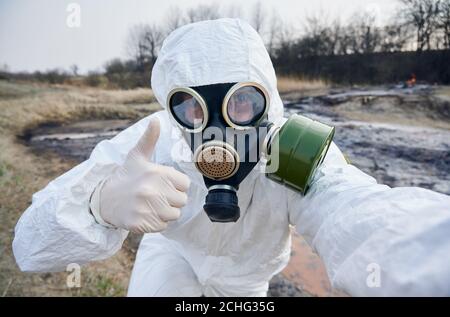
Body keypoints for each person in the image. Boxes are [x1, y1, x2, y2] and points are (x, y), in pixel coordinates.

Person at [12, 18, 450, 297]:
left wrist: (427, 259)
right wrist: (97, 205)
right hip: (171, 258)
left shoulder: (285, 149)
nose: (220, 126)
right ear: (173, 107)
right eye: (193, 108)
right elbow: (29, 248)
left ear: (268, 102)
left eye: (243, 103)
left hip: (247, 282)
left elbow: (355, 212)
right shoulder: (156, 140)